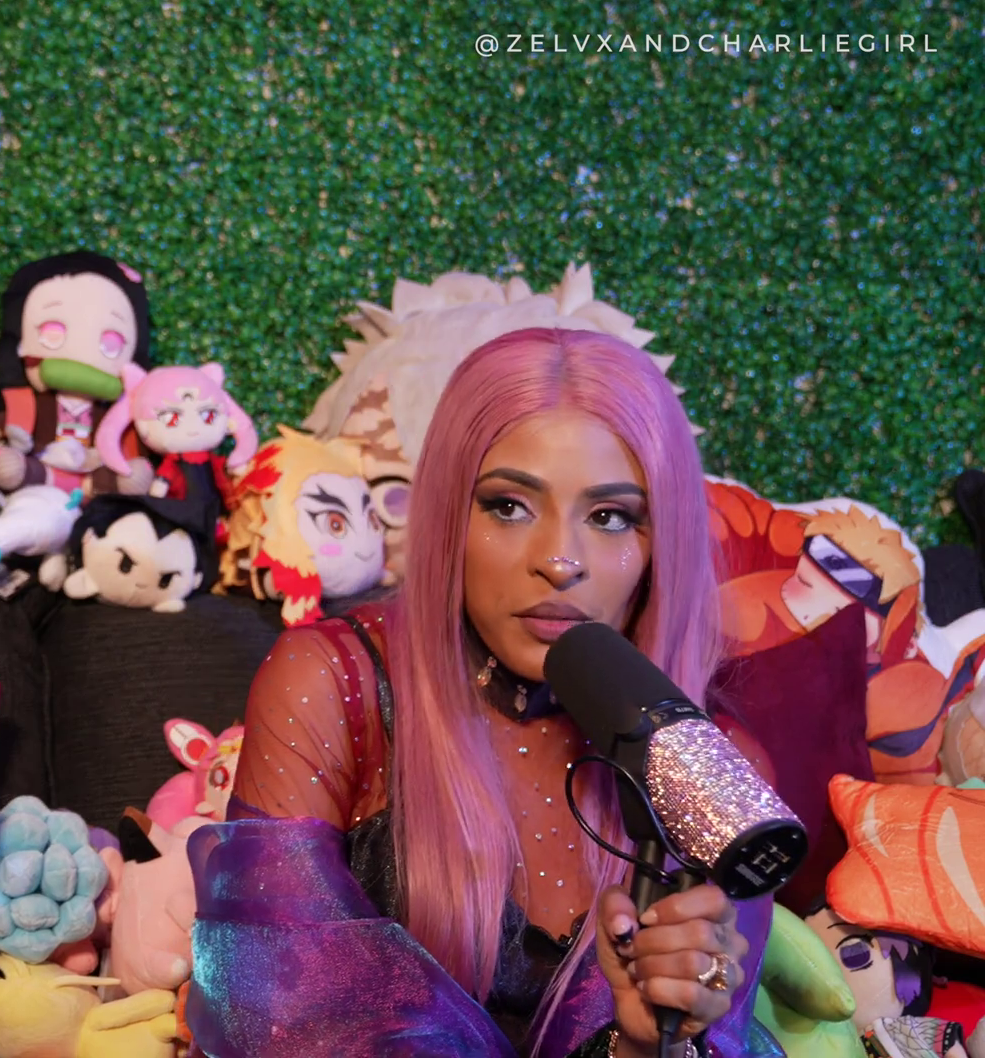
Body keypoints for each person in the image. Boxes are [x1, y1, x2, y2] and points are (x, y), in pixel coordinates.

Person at [187, 328, 778, 1057]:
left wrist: (648, 1041)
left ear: (661, 547)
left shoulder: (717, 775)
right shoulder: (333, 683)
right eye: (509, 505)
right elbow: (274, 1022)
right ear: (448, 517)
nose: (559, 560)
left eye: (610, 517)